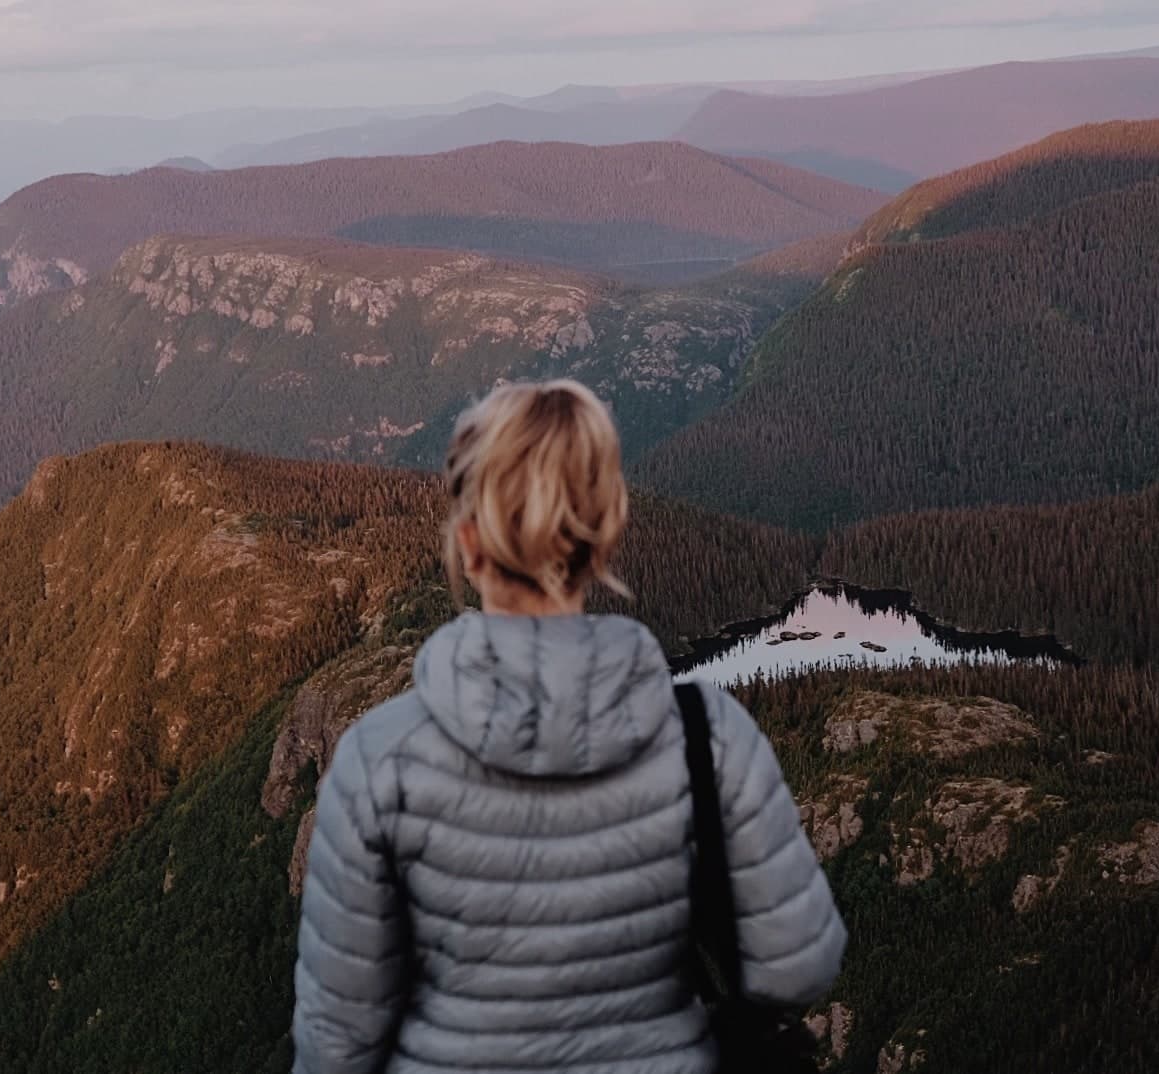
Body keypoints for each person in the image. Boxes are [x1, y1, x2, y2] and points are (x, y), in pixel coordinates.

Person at [291, 380, 846, 1074]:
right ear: (603, 535)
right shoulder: (707, 736)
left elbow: (337, 1044)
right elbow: (799, 966)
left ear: (468, 544)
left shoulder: (378, 758)